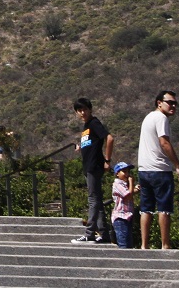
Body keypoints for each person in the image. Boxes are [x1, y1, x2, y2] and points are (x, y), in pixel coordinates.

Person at [137, 90, 179, 249]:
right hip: (159, 169)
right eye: (169, 102)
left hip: (144, 169)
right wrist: (178, 166)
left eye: (174, 103)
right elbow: (164, 143)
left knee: (146, 209)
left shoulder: (148, 117)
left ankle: (144, 245)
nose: (173, 106)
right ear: (159, 103)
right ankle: (165, 244)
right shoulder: (161, 118)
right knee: (164, 208)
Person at [73, 97, 114, 243]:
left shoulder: (94, 123)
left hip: (94, 166)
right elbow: (91, 143)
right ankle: (104, 234)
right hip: (89, 166)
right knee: (97, 200)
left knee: (93, 200)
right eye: (80, 110)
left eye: (85, 109)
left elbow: (109, 138)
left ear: (90, 109)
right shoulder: (86, 127)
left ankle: (90, 233)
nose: (82, 112)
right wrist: (80, 147)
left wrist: (107, 160)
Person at [111, 162, 138, 249]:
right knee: (123, 244)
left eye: (128, 172)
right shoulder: (117, 184)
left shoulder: (125, 185)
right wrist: (131, 182)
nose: (127, 174)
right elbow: (127, 195)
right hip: (120, 217)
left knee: (129, 243)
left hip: (128, 216)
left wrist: (135, 189)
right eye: (124, 172)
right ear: (117, 174)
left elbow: (130, 193)